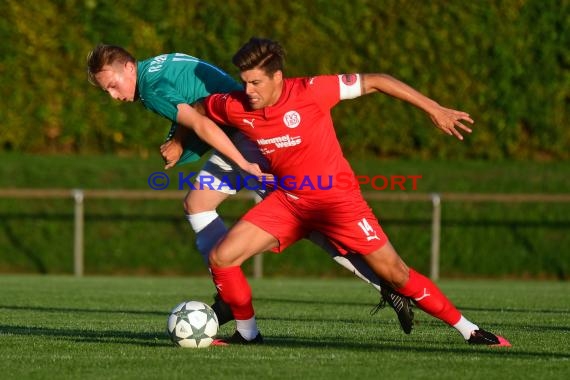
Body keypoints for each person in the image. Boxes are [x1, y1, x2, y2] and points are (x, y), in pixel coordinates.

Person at [199, 37, 511, 347]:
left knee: (397, 274)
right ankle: (248, 335)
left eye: (255, 82)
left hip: (339, 203)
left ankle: (470, 331)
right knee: (222, 257)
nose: (249, 91)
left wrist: (434, 108)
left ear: (277, 77)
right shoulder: (236, 104)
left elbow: (377, 80)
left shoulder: (311, 90)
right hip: (289, 203)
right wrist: (177, 140)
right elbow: (197, 110)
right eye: (245, 82)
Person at [86, 44, 414, 332]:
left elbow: (201, 121)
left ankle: (386, 284)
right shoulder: (155, 66)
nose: (115, 96)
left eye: (113, 86)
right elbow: (197, 103)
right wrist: (178, 140)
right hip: (241, 133)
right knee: (197, 204)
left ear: (129, 67)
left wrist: (240, 162)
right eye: (107, 92)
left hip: (248, 139)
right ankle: (228, 295)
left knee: (313, 227)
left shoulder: (151, 87)